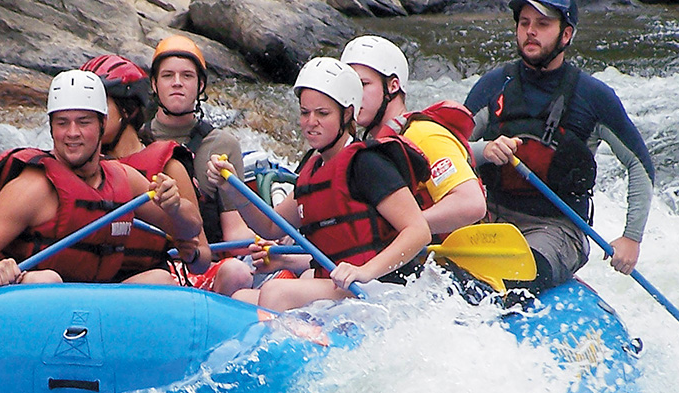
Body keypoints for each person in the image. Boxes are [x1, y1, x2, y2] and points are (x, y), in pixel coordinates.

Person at [207, 57, 431, 311]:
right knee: (241, 301)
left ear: (347, 114)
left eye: (322, 113)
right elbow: (271, 226)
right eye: (305, 113)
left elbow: (418, 230)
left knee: (276, 292)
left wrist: (365, 271)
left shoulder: (367, 163)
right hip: (342, 286)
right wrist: (233, 189)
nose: (310, 122)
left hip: (382, 286)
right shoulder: (313, 170)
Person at [464, 0, 656, 292]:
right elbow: (448, 148)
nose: (530, 31)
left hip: (557, 227)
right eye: (524, 23)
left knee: (516, 278)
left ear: (566, 34)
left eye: (542, 24)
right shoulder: (493, 85)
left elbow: (639, 165)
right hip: (491, 215)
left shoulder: (593, 96)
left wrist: (631, 238)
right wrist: (484, 150)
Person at [0, 70, 202, 287]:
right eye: (62, 123)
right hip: (32, 300)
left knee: (159, 279)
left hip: (91, 303)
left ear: (102, 124)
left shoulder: (123, 178)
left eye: (83, 122)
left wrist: (176, 206)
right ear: (51, 127)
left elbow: (191, 229)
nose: (72, 133)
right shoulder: (33, 188)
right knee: (46, 280)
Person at [79, 54, 213, 283]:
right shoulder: (78, 166)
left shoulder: (167, 166)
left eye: (98, 109)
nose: (87, 119)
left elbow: (203, 259)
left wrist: (192, 254)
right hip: (88, 281)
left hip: (146, 280)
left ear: (127, 110)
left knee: (159, 279)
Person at [341, 35, 487, 239]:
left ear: (393, 86)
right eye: (348, 87)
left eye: (363, 84)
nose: (353, 96)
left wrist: (400, 228)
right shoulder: (362, 148)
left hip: (446, 263)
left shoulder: (422, 135)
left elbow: (471, 203)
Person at [146, 35, 258, 294]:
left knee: (237, 272)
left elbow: (234, 229)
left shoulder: (223, 145)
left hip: (204, 265)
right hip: (154, 269)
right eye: (167, 76)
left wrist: (264, 242)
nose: (177, 83)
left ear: (200, 85)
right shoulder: (134, 141)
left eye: (187, 76)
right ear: (153, 84)